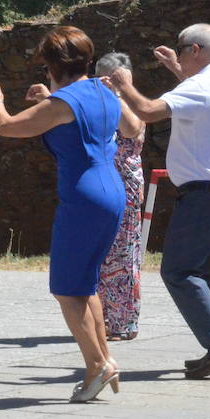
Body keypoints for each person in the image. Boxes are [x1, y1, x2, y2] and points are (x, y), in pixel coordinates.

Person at [0, 26, 124, 403]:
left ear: (51, 66)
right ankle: (103, 359)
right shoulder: (103, 91)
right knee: (86, 285)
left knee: (66, 289)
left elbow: (8, 127)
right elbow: (76, 117)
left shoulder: (62, 103)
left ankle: (97, 364)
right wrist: (50, 97)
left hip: (83, 198)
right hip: (113, 191)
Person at [105, 23, 210, 379]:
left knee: (179, 272)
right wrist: (176, 69)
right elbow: (194, 94)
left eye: (182, 49)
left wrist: (123, 86)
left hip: (204, 195)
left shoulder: (200, 86)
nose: (178, 54)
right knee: (202, 273)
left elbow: (149, 110)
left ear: (195, 50)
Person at [92, 53, 146, 341]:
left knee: (123, 257)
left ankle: (123, 323)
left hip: (124, 186)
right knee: (102, 256)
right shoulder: (100, 103)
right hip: (99, 186)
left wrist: (120, 93)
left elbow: (133, 128)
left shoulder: (130, 103)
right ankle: (102, 318)